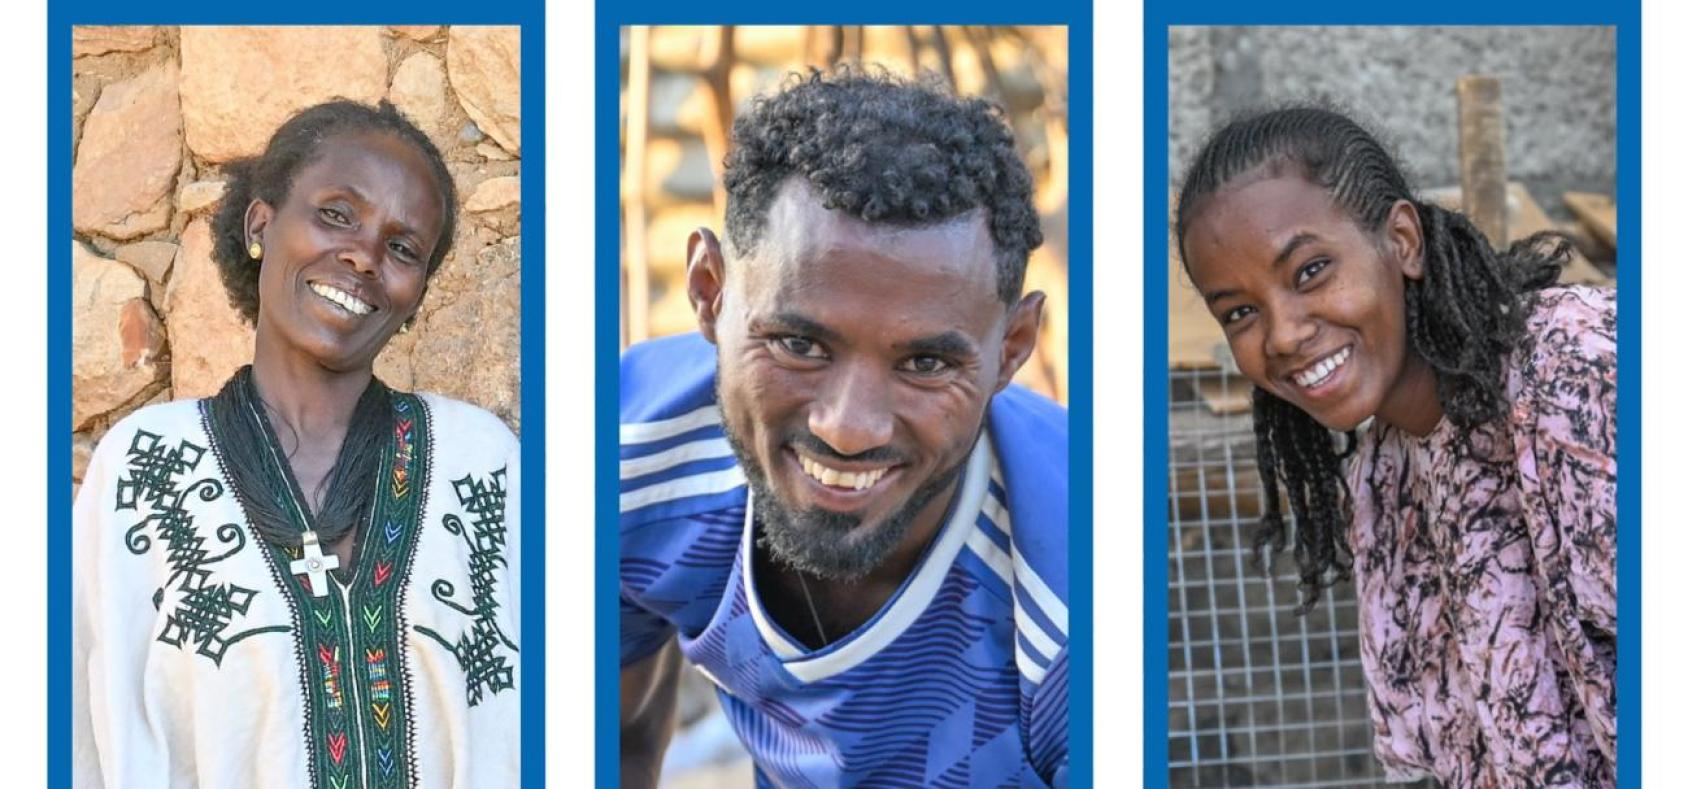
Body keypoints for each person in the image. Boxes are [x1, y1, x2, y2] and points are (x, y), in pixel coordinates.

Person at [619, 68, 1070, 787]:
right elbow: (617, 739)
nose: (848, 427)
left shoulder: (1075, 599)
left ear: (1011, 349)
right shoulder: (625, 464)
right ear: (710, 291)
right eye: (799, 345)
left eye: (925, 362)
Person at [73, 100, 521, 788]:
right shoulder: (143, 468)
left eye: (403, 248)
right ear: (261, 224)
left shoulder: (482, 464)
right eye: (337, 214)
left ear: (416, 295)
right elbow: (85, 739)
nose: (364, 256)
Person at [1176, 106, 1616, 786]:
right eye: (1240, 311)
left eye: (1310, 270)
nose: (1283, 333)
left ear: (1402, 241)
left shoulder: (1576, 368)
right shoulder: (1385, 483)